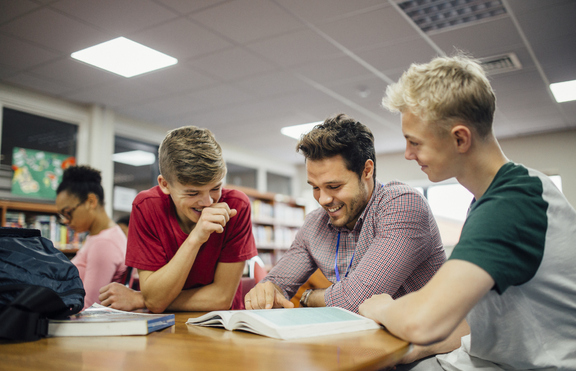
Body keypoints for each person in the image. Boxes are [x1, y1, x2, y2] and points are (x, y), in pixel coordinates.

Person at [359, 54, 576, 370]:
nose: (408, 154)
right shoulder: (495, 197)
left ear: (460, 138)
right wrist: (419, 349)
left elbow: (424, 321)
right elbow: (481, 323)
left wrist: (382, 307)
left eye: (414, 142)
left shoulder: (512, 204)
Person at [244, 113, 445, 313]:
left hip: (425, 341)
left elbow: (357, 300)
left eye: (334, 186)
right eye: (315, 187)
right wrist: (264, 293)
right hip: (358, 340)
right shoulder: (315, 223)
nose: (322, 200)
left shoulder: (402, 204)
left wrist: (308, 297)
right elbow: (275, 284)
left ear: (366, 170)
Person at [99, 126, 257, 313]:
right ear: (165, 184)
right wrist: (196, 238)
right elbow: (155, 300)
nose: (207, 202)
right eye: (192, 192)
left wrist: (142, 299)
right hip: (163, 329)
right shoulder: (146, 206)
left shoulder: (236, 206)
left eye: (215, 188)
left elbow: (221, 299)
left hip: (221, 326)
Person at [55, 165, 128, 310]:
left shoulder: (104, 243)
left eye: (67, 212)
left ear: (91, 202)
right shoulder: (98, 237)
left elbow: (89, 308)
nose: (65, 221)